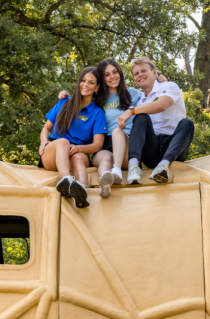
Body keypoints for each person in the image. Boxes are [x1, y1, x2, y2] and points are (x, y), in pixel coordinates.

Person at [116, 56, 194, 185]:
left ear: (154, 73)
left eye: (143, 71)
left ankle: (163, 167)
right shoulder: (140, 101)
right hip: (152, 150)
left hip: (174, 149)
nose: (140, 75)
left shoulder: (169, 86)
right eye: (136, 73)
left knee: (187, 123)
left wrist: (131, 111)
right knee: (141, 117)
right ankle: (133, 168)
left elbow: (161, 105)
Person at [39, 67, 108, 208]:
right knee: (63, 142)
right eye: (83, 81)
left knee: (78, 158)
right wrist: (44, 141)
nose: (85, 85)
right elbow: (46, 128)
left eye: (91, 82)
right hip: (54, 151)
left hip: (78, 150)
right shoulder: (64, 102)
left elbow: (97, 145)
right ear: (78, 83)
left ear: (97, 87)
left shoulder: (98, 113)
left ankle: (81, 193)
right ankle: (66, 179)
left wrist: (77, 148)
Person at [90, 59, 145, 198]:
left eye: (115, 72)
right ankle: (105, 185)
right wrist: (64, 96)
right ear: (102, 79)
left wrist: (162, 81)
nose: (112, 76)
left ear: (120, 73)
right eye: (107, 74)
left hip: (128, 146)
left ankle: (117, 170)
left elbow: (155, 98)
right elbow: (79, 100)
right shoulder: (97, 100)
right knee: (106, 158)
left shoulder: (133, 93)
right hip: (105, 145)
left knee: (117, 131)